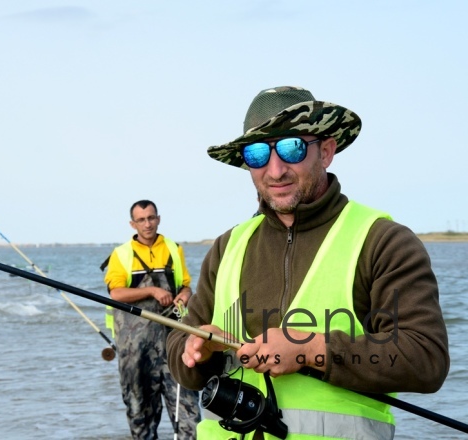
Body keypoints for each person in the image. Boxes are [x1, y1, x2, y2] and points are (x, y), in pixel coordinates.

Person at [166, 86, 450, 439]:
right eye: (256, 153)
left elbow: (425, 360)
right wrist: (199, 348)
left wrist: (312, 350)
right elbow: (181, 359)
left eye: (291, 147)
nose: (275, 169)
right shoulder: (227, 246)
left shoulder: (383, 241)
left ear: (326, 151)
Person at [104, 200, 201, 439]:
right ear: (132, 224)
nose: (147, 224)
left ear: (158, 218)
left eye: (151, 218)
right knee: (140, 414)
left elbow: (186, 286)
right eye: (141, 219)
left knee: (189, 413)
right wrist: (152, 291)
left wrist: (183, 296)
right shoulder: (121, 254)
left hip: (174, 342)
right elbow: (116, 293)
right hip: (136, 348)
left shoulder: (174, 249)